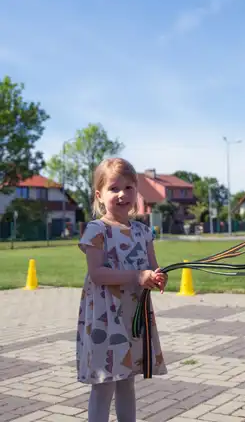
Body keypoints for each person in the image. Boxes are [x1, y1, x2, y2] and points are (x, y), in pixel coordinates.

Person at [76, 157, 168, 422]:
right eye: (114, 188)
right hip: (106, 319)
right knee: (104, 383)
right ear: (99, 194)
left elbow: (154, 268)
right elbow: (97, 273)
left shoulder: (143, 231)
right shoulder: (96, 230)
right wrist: (137, 276)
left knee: (128, 380)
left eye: (129, 188)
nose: (122, 194)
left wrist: (158, 278)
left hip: (133, 317)